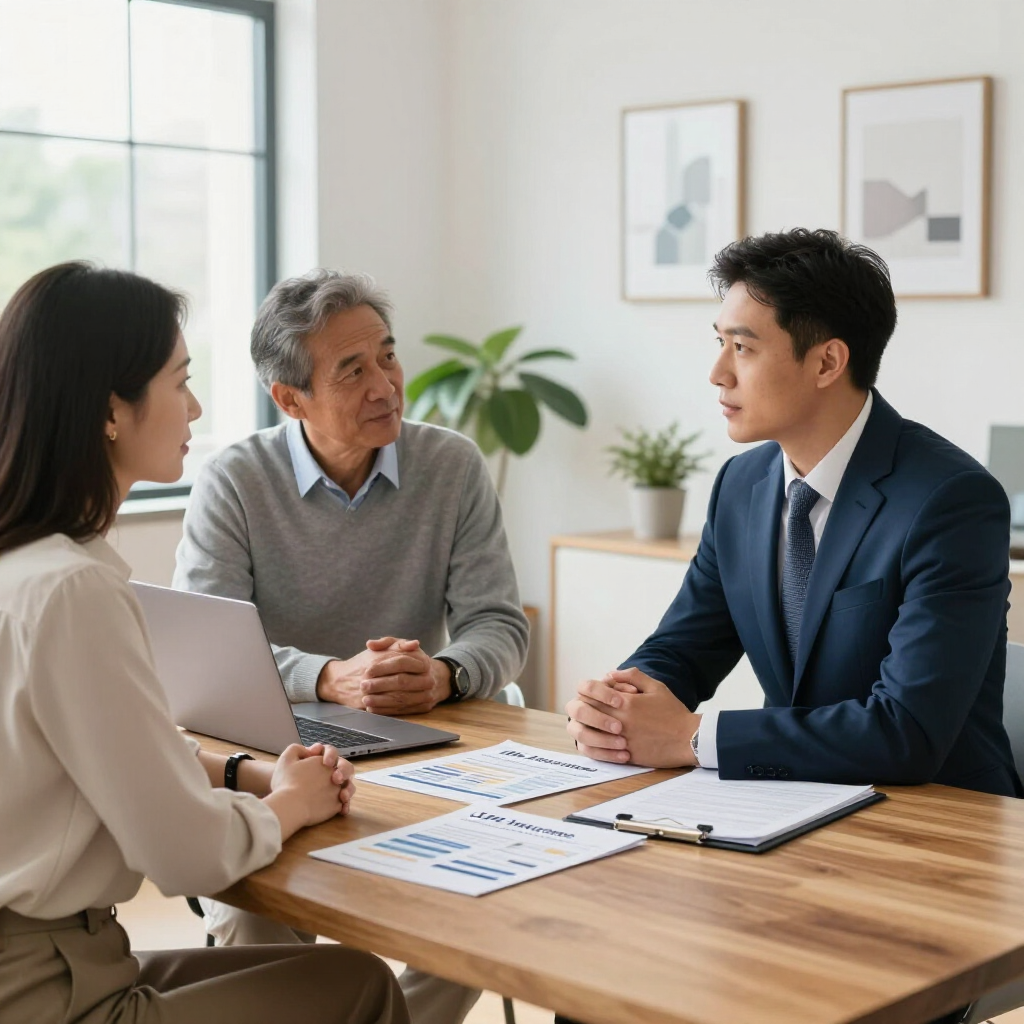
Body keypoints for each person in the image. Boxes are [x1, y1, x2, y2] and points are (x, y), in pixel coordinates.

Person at [562, 229, 1020, 1024]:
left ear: (826, 362)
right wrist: (619, 701)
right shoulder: (743, 485)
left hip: (930, 853)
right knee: (598, 980)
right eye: (719, 344)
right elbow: (685, 643)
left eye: (742, 347)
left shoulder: (950, 500)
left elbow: (906, 731)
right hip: (789, 821)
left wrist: (694, 739)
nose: (716, 373)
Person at [0, 263, 409, 1024]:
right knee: (358, 987)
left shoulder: (26, 567)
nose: (194, 406)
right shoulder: (73, 590)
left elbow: (105, 753)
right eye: (178, 380)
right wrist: (288, 802)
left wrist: (247, 776)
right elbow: (184, 854)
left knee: (314, 971)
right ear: (109, 411)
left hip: (62, 956)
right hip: (46, 989)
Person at [173, 268, 529, 1023]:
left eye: (389, 357)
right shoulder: (232, 481)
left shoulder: (452, 466)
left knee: (490, 902)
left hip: (424, 751)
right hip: (276, 752)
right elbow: (206, 657)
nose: (386, 386)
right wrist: (331, 677)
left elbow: (500, 626)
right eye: (353, 370)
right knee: (248, 916)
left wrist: (444, 672)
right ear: (290, 397)